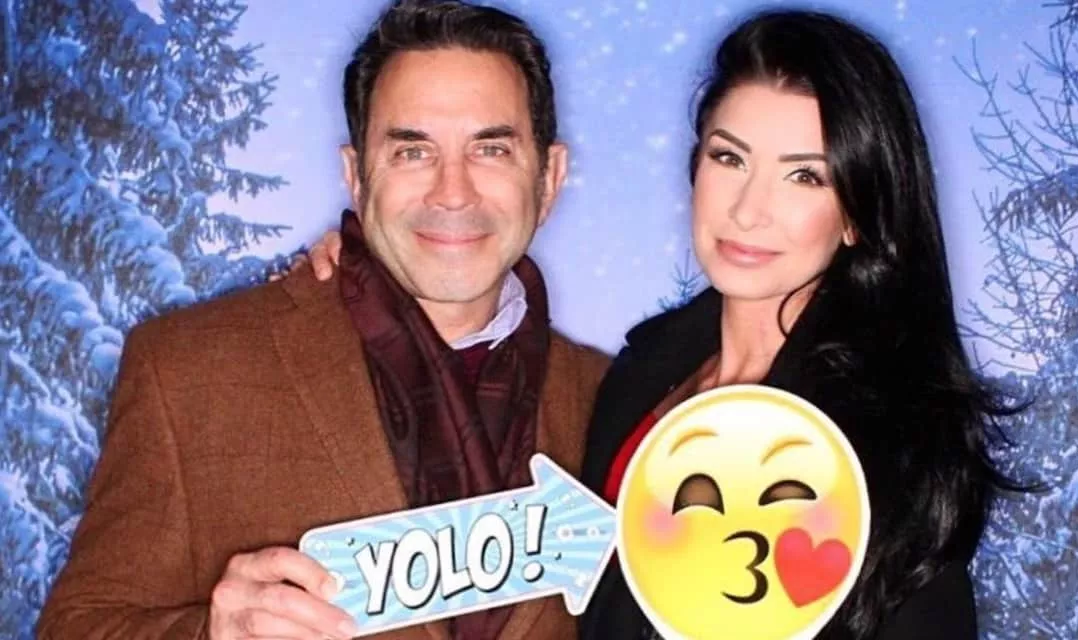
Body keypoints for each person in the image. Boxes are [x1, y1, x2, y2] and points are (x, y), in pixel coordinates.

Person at [301, 7, 1033, 640]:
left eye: (804, 175)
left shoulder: (885, 438)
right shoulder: (630, 382)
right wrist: (360, 275)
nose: (748, 209)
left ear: (857, 213)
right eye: (729, 158)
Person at [36, 2, 609, 639]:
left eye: (491, 149)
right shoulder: (185, 372)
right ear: (356, 177)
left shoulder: (616, 401)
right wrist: (210, 635)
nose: (453, 192)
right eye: (412, 151)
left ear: (549, 177)